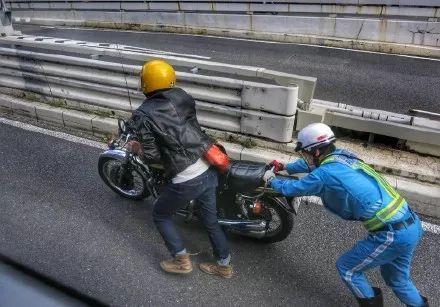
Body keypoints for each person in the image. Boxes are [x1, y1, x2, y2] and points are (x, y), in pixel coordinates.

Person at [263, 123, 428, 306]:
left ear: (316, 152)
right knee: (398, 280)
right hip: (411, 225)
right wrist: (286, 166)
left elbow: (294, 188)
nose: (304, 156)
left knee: (348, 269)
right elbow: (311, 165)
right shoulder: (343, 155)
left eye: (306, 153)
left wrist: (272, 181)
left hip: (391, 234)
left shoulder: (324, 174)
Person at [125, 59, 233, 278]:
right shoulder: (182, 96)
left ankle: (181, 260)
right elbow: (187, 128)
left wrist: (137, 148)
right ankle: (224, 265)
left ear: (145, 84)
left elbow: (153, 155)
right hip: (208, 165)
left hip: (187, 178)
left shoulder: (143, 114)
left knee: (160, 214)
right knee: (210, 220)